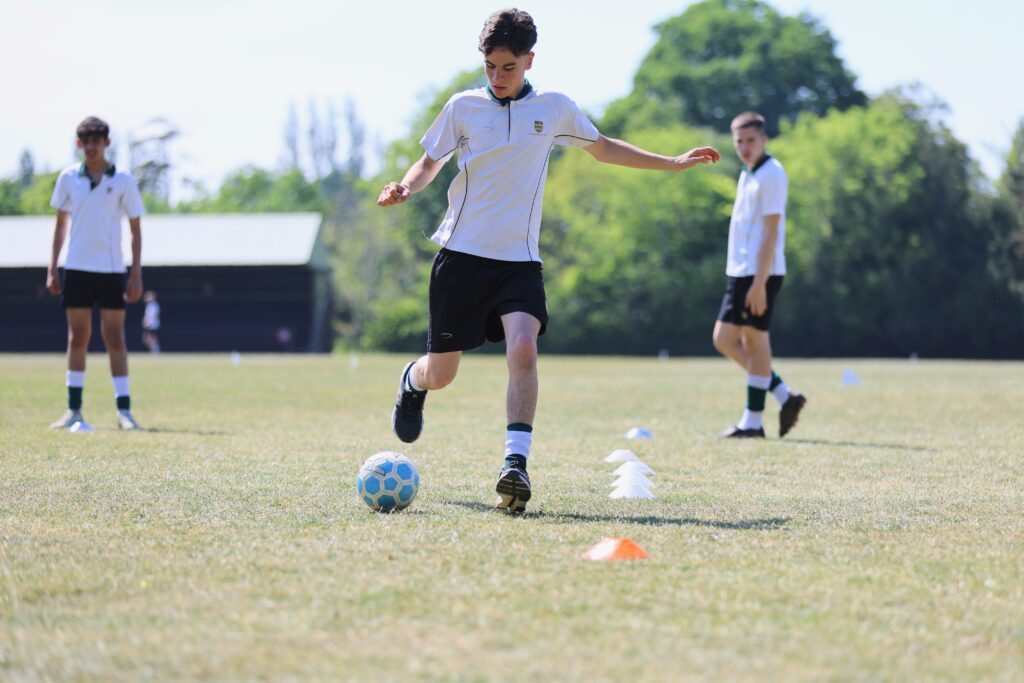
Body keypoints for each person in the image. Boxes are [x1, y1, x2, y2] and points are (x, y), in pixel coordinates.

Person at [377, 8, 720, 512]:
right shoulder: (463, 107)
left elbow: (603, 148)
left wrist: (669, 162)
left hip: (519, 262)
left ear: (530, 60)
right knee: (443, 374)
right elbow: (431, 161)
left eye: (509, 67)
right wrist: (406, 185)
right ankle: (413, 381)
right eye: (490, 66)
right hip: (462, 259)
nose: (497, 77)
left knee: (524, 348)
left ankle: (515, 463)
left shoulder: (555, 110)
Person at [46, 116, 146, 431]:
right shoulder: (67, 179)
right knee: (78, 338)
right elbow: (60, 225)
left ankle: (124, 412)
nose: (90, 146)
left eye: (96, 140)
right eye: (85, 141)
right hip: (76, 267)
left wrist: (135, 273)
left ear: (106, 143)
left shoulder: (124, 180)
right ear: (78, 144)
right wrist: (52, 267)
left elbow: (135, 230)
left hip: (111, 269)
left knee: (115, 338)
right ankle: (74, 410)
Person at [712, 111, 806, 439]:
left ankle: (753, 422)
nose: (745, 147)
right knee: (731, 340)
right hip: (741, 271)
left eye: (751, 140)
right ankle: (783, 396)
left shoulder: (772, 174)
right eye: (739, 141)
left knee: (749, 340)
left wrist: (760, 283)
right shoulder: (747, 172)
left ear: (764, 139)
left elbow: (770, 232)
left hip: (757, 272)